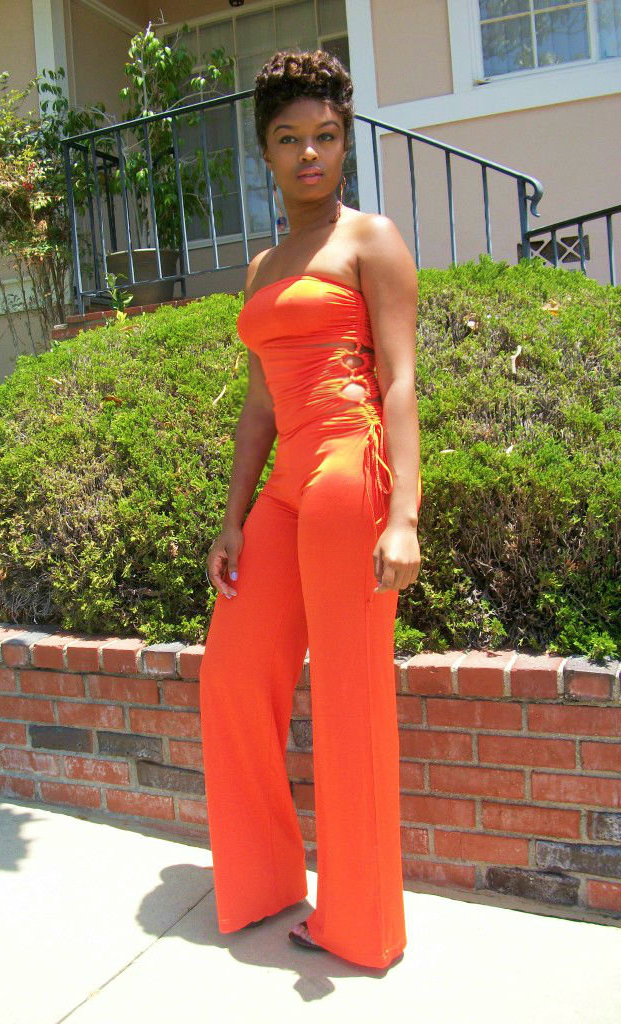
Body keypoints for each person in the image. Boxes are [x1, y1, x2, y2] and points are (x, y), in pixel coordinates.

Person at [200, 48, 422, 971]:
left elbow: (400, 379)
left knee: (348, 693)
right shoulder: (262, 266)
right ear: (266, 152)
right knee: (232, 677)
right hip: (285, 484)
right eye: (289, 139)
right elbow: (258, 408)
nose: (308, 155)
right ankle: (262, 881)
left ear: (344, 143)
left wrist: (404, 513)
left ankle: (362, 927)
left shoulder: (370, 239)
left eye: (325, 136)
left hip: (347, 469)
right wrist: (233, 518)